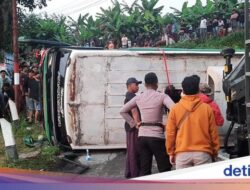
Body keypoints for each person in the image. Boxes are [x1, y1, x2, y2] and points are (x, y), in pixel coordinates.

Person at [120, 72, 175, 176]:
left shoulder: (138, 97)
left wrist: (135, 124)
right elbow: (176, 110)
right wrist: (168, 125)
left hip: (142, 137)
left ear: (145, 85)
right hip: (157, 137)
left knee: (144, 170)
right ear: (156, 84)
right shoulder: (162, 96)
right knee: (165, 169)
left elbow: (122, 111)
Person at [166, 75, 220, 170]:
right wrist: (214, 152)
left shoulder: (175, 109)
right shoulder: (207, 108)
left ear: (183, 91)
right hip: (203, 154)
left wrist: (171, 152)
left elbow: (170, 133)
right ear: (198, 91)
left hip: (182, 154)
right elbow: (213, 133)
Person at [124, 77, 142, 178]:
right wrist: (138, 124)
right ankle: (135, 174)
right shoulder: (131, 96)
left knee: (131, 151)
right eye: (136, 84)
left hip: (130, 128)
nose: (138, 86)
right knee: (134, 151)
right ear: (130, 85)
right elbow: (134, 112)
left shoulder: (130, 95)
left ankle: (129, 172)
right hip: (133, 129)